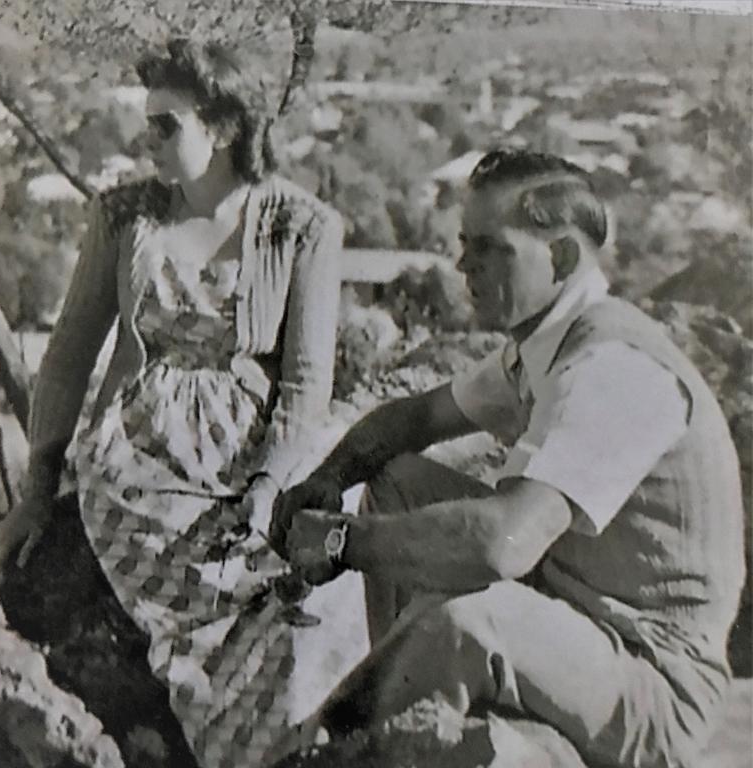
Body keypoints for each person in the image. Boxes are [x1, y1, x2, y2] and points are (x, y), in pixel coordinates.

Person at [272, 149, 745, 768]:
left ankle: (344, 746)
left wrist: (340, 543)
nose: (462, 264)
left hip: (654, 682)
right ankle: (413, 724)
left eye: (490, 248)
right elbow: (413, 419)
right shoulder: (544, 344)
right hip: (583, 626)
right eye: (464, 243)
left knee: (468, 618)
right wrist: (326, 481)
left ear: (564, 257)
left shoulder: (614, 368)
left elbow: (502, 544)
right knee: (398, 482)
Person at [0, 39, 343, 768]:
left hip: (246, 449)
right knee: (171, 571)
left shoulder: (299, 225)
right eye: (146, 122)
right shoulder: (123, 215)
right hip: (136, 450)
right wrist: (36, 490)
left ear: (225, 126)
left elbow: (307, 382)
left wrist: (271, 480)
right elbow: (66, 359)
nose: (146, 139)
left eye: (165, 124)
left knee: (268, 596)